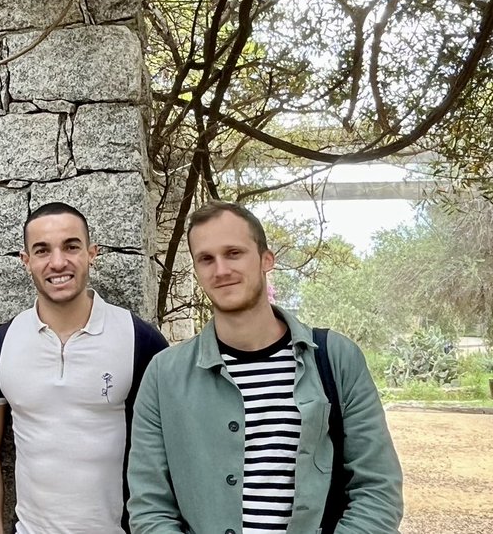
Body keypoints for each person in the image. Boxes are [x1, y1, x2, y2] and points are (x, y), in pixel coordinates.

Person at [127, 201, 403, 534]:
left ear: (265, 259)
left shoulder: (336, 359)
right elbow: (148, 505)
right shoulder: (164, 375)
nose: (221, 270)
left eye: (233, 253)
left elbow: (377, 489)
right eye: (206, 259)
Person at [0, 202, 167, 534]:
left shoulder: (138, 340)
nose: (58, 262)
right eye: (42, 250)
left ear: (92, 252)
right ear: (26, 261)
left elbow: (173, 448)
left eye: (71, 246)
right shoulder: (2, 345)